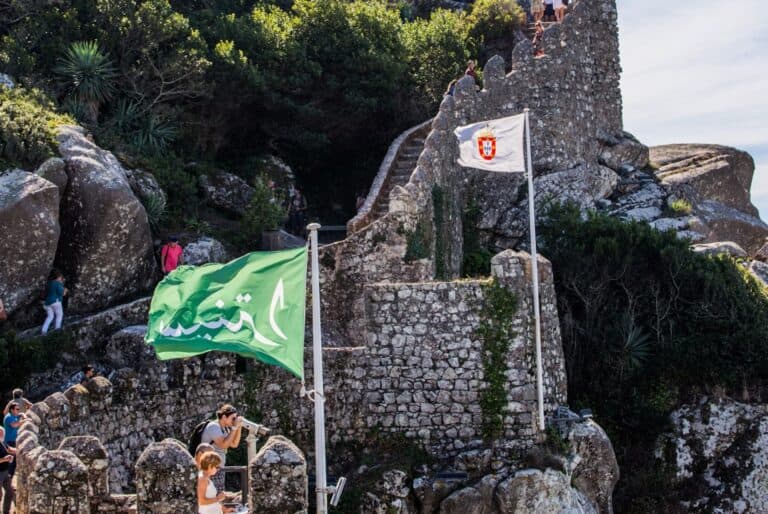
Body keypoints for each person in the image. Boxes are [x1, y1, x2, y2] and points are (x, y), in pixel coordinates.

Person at [200, 404, 243, 492]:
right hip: (209, 468)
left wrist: (239, 428)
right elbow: (223, 445)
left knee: (219, 495)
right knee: (212, 495)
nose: (234, 420)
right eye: (232, 418)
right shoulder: (213, 426)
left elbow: (234, 444)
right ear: (224, 417)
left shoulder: (225, 429)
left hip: (219, 468)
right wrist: (234, 428)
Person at [41, 269, 67, 334]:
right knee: (59, 314)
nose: (61, 279)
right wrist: (65, 290)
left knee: (50, 316)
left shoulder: (49, 283)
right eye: (61, 278)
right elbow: (61, 293)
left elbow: (46, 292)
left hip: (47, 302)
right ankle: (57, 329)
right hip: (56, 301)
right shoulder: (58, 283)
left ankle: (43, 331)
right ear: (58, 277)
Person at [0, 427, 15, 514]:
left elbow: (9, 449)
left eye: (2, 432)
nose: (1, 434)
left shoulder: (2, 443)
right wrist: (4, 459)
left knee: (10, 493)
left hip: (5, 472)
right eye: (0, 433)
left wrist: (18, 450)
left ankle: (6, 512)